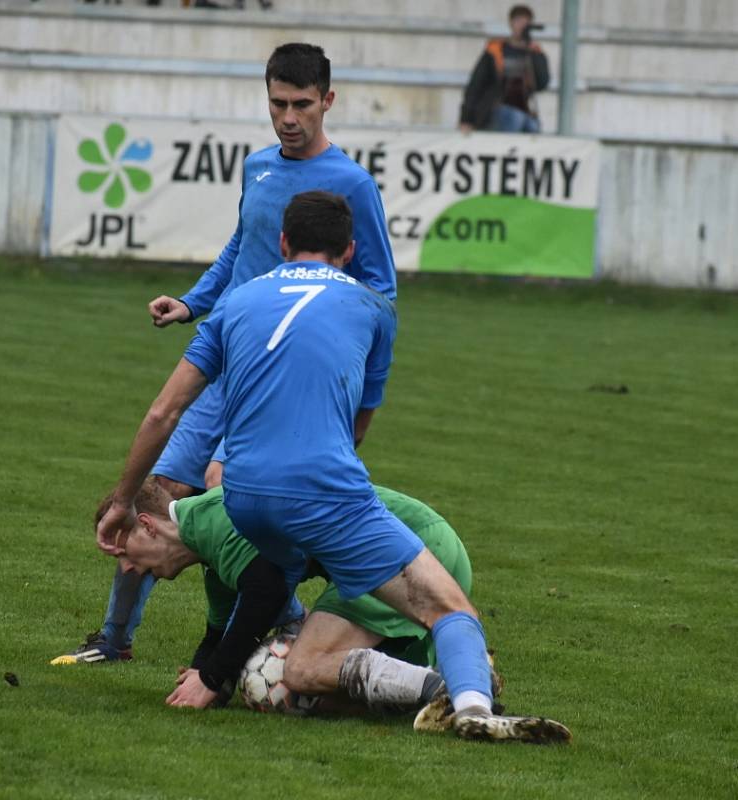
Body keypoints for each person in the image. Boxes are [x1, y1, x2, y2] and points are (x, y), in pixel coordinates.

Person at [96, 190, 570, 744]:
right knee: (449, 611)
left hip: (242, 491)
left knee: (280, 601)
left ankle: (363, 668)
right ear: (348, 250)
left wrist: (125, 498)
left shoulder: (238, 300)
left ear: (281, 244)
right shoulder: (375, 308)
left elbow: (163, 411)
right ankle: (470, 706)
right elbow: (358, 428)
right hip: (322, 492)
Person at [52, 42, 396, 666]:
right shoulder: (258, 167)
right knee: (156, 491)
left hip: (279, 383)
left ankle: (277, 637)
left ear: (328, 101)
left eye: (301, 105)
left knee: (240, 506)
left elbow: (379, 290)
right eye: (277, 103)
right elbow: (240, 250)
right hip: (224, 365)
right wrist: (191, 303)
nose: (288, 117)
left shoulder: (352, 185)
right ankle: (113, 638)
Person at [92, 479, 505, 720]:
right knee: (328, 698)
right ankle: (465, 670)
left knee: (303, 669)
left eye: (125, 553)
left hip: (411, 550)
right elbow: (221, 632)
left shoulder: (214, 517)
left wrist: (214, 677)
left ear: (147, 526)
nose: (129, 569)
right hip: (419, 549)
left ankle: (447, 688)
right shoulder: (209, 554)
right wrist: (203, 677)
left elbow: (266, 592)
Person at [459, 4, 549, 134]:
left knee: (533, 126)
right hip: (494, 108)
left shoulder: (534, 52)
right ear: (511, 23)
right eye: (518, 21)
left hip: (523, 110)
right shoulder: (494, 51)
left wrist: (535, 54)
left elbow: (542, 83)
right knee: (514, 117)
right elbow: (475, 85)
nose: (522, 26)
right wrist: (466, 118)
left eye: (526, 22)